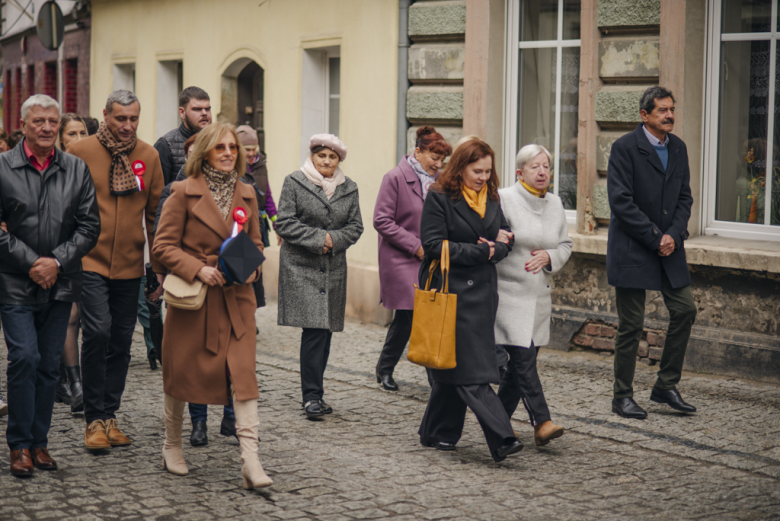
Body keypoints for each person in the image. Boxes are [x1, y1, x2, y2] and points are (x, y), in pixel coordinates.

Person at [152, 122, 272, 488]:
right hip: (195, 302)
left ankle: (251, 460)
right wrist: (198, 269)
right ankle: (172, 444)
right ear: (205, 151)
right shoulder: (181, 193)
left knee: (244, 377)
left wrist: (249, 271)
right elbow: (162, 247)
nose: (228, 153)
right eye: (220, 148)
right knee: (181, 373)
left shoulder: (247, 193)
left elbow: (256, 245)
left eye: (233, 148)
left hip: (236, 300)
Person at [0, 94, 100, 477]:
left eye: (52, 121)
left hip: (61, 283)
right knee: (24, 358)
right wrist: (32, 263)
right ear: (23, 125)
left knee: (47, 365)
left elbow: (90, 226)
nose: (46, 128)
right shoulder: (4, 167)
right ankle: (19, 444)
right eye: (38, 121)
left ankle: (40, 443)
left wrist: (56, 261)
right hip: (13, 281)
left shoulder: (76, 168)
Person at [68, 90, 165, 449]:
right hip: (89, 260)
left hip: (130, 264)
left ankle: (110, 415)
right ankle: (93, 420)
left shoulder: (149, 156)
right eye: (120, 118)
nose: (127, 126)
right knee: (97, 333)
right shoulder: (81, 152)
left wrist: (158, 267)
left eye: (134, 119)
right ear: (106, 115)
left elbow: (156, 216)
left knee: (122, 341)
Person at [417, 139, 523, 463]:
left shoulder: (490, 196)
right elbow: (432, 244)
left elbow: (506, 234)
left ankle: (438, 432)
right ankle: (503, 437)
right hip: (451, 291)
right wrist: (484, 250)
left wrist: (497, 247)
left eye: (488, 171)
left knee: (454, 366)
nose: (483, 177)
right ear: (460, 167)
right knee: (472, 371)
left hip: (483, 294)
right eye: (477, 170)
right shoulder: (439, 196)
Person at [607, 85, 698, 419]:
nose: (670, 115)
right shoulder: (624, 148)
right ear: (645, 115)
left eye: (672, 109)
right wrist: (655, 236)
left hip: (669, 246)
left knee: (685, 310)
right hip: (633, 245)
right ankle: (622, 396)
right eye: (662, 110)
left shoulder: (678, 148)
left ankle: (665, 385)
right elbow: (620, 202)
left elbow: (684, 198)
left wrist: (673, 234)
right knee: (631, 324)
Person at [276, 134, 364, 419]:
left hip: (333, 268)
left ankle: (316, 393)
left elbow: (355, 226)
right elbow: (284, 222)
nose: (327, 161)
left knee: (325, 333)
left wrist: (334, 240)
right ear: (312, 156)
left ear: (339, 161)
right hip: (301, 266)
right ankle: (311, 396)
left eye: (332, 157)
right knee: (314, 331)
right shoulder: (295, 181)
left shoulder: (349, 188)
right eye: (321, 155)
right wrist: (319, 239)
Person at [494, 144, 571, 446]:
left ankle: (497, 421)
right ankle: (542, 422)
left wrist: (550, 257)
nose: (542, 172)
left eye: (546, 167)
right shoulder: (504, 199)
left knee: (518, 368)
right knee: (524, 361)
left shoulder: (555, 203)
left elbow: (565, 244)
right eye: (535, 166)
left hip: (539, 297)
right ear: (520, 171)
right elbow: (494, 238)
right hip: (509, 294)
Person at [373, 126, 451, 391]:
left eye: (442, 160)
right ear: (417, 152)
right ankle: (432, 379)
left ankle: (385, 367)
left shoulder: (441, 181)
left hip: (431, 258)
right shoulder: (394, 177)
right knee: (412, 314)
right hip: (401, 257)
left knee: (420, 314)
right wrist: (415, 247)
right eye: (434, 158)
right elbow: (381, 220)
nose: (438, 165)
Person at [53, 113, 90, 415]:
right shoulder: (56, 167)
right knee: (69, 314)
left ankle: (67, 377)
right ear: (61, 138)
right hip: (58, 250)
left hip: (88, 249)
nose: (78, 140)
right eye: (72, 134)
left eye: (83, 133)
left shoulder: (87, 167)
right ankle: (73, 381)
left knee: (81, 317)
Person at [154, 86, 212, 186]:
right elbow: (159, 193)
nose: (204, 113)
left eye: (207, 109)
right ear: (182, 112)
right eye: (197, 109)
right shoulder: (166, 145)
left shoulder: (220, 141)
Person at [236, 125, 280, 247]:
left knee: (257, 262)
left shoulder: (261, 165)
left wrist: (276, 224)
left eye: (254, 149)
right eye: (247, 149)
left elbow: (267, 197)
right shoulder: (232, 167)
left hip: (259, 223)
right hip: (239, 225)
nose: (251, 153)